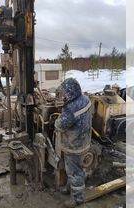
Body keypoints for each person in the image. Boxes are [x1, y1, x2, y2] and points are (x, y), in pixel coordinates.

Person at [55, 78, 92, 207]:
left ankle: (78, 200)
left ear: (71, 93)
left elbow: (60, 125)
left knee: (75, 172)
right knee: (74, 169)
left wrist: (58, 118)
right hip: (85, 141)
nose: (63, 96)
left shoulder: (70, 109)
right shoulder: (85, 99)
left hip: (74, 146)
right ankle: (69, 187)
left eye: (65, 93)